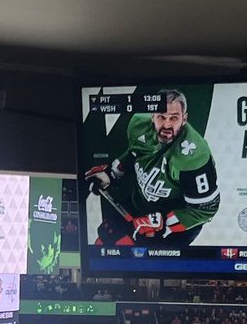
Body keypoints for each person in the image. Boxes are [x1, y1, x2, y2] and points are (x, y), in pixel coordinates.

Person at [84, 89, 220, 249]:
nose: (167, 124)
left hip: (175, 222)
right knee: (102, 243)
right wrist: (111, 174)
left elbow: (205, 209)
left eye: (174, 118)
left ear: (184, 119)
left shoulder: (194, 155)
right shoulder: (138, 125)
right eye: (161, 117)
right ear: (152, 116)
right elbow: (134, 153)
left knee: (130, 255)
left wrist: (163, 222)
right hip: (140, 203)